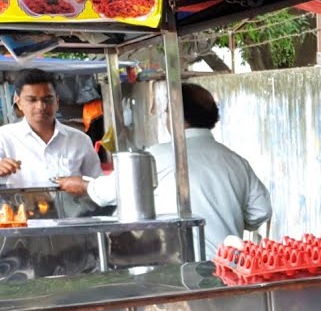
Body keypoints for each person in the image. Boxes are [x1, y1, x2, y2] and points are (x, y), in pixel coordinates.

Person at [60, 83, 272, 256]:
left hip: (176, 267)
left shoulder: (157, 156)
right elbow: (261, 211)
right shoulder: (235, 161)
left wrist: (82, 185)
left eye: (167, 111)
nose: (165, 116)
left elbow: (107, 192)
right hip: (229, 266)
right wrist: (226, 215)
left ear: (177, 116)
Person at [0, 69, 102, 215]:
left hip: (73, 226)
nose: (41, 106)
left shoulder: (80, 140)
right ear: (18, 101)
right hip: (23, 226)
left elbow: (97, 186)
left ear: (57, 101)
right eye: (32, 100)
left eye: (47, 99)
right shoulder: (4, 137)